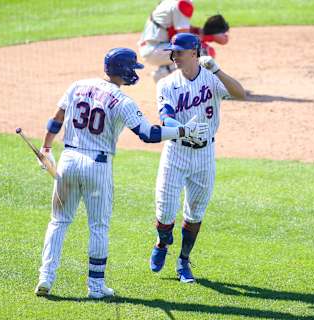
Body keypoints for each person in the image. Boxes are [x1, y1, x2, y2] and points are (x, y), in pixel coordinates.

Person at [34, 47, 209, 298]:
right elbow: (149, 134)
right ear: (125, 71)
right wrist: (183, 131)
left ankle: (46, 277)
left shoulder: (77, 86)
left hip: (68, 160)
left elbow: (56, 119)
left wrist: (46, 147)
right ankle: (95, 287)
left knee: (59, 222)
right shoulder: (123, 102)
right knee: (98, 227)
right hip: (98, 166)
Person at [149, 33, 246, 283]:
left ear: (194, 53)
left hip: (205, 154)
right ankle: (162, 242)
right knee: (165, 210)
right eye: (173, 52)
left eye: (179, 52)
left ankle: (183, 261)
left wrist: (218, 70)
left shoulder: (212, 79)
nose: (174, 57)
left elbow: (240, 93)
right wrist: (183, 129)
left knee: (195, 213)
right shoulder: (167, 83)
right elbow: (165, 116)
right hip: (176, 151)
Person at [138, 0, 230, 82]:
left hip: (154, 47)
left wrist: (202, 32)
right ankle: (164, 73)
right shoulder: (182, 3)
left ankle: (167, 70)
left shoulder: (169, 2)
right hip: (155, 50)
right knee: (203, 51)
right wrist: (213, 37)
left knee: (194, 49)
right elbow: (184, 39)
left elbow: (176, 30)